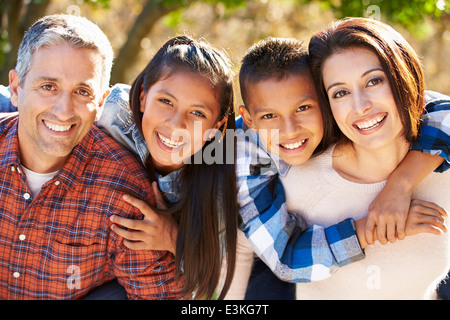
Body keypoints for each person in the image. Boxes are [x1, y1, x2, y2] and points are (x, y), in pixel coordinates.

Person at [228, 35, 450, 299]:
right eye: (269, 116)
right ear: (250, 119)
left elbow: (438, 109)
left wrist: (399, 185)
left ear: (323, 101)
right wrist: (374, 227)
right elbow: (285, 256)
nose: (289, 129)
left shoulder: (360, 121)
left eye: (303, 107)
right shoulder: (246, 149)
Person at [0, 14, 182, 299]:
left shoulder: (123, 191)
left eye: (82, 92)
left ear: (100, 102)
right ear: (15, 87)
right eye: (48, 86)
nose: (63, 110)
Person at [96, 35, 239, 300]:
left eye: (197, 113)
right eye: (165, 101)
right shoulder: (113, 112)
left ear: (215, 128)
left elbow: (212, 280)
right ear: (142, 98)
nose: (176, 125)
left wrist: (172, 236)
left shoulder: (218, 182)